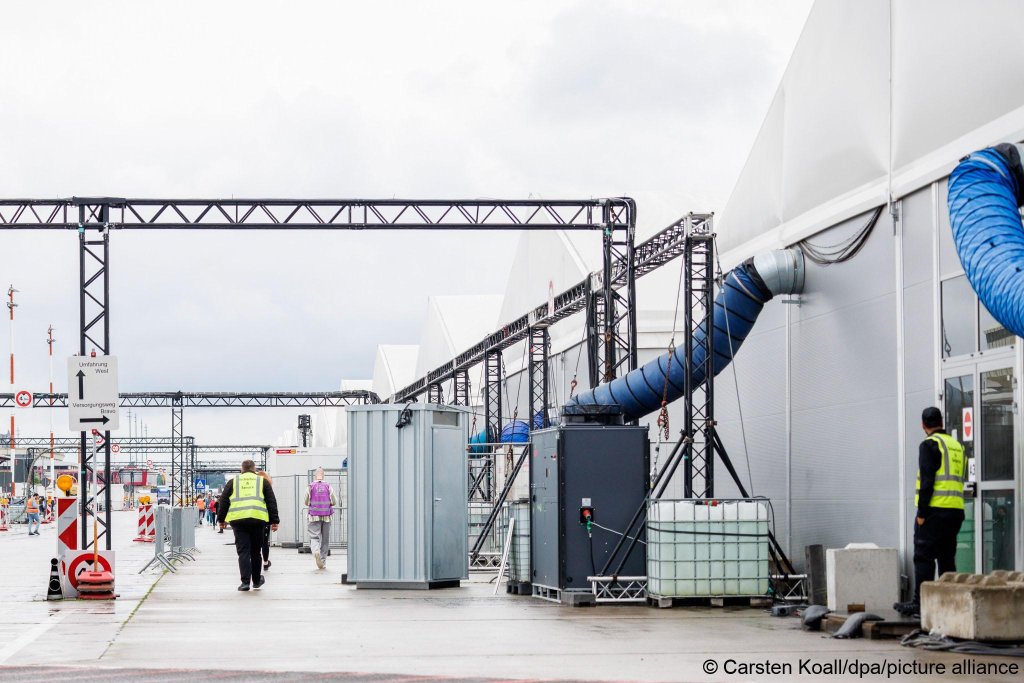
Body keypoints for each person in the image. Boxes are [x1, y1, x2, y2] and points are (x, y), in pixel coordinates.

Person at [895, 407, 966, 617]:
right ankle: (949, 601)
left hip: (934, 511)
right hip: (955, 511)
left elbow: (927, 481)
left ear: (923, 425)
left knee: (923, 556)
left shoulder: (929, 445)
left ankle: (920, 604)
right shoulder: (957, 446)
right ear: (941, 422)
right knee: (946, 557)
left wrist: (922, 513)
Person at [217, 460, 279, 591]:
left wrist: (221, 520)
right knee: (256, 552)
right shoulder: (262, 481)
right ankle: (256, 581)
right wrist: (275, 521)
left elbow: (223, 501)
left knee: (243, 552)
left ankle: (245, 583)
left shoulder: (233, 482)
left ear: (242, 469)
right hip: (257, 519)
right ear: (254, 469)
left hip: (238, 521)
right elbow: (271, 501)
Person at [305, 468, 337, 570]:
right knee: (325, 540)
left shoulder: (310, 486)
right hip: (327, 515)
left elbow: (306, 501)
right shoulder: (328, 486)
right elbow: (334, 500)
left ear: (315, 475)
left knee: (314, 537)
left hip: (314, 515)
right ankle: (322, 561)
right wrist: (330, 504)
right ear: (323, 475)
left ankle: (316, 551)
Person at [257, 471, 273, 571]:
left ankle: (255, 559)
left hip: (255, 516)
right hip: (265, 518)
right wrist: (274, 520)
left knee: (255, 541)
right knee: (265, 542)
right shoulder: (268, 488)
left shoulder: (255, 488)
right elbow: (271, 504)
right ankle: (266, 562)